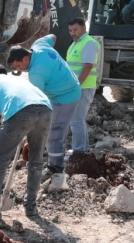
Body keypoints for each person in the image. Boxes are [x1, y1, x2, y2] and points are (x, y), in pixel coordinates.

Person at [0, 65, 53, 219]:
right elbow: (34, 111)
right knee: (36, 160)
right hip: (46, 110)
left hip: (21, 111)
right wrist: (30, 139)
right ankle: (31, 206)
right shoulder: (16, 80)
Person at [7, 34, 80, 175]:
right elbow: (53, 36)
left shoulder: (36, 73)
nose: (19, 70)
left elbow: (36, 105)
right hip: (62, 88)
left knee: (54, 131)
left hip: (66, 95)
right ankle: (54, 155)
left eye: (19, 66)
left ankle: (55, 168)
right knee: (51, 127)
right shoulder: (39, 45)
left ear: (25, 58)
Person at [66, 17, 101, 153]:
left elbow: (88, 66)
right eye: (70, 30)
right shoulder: (75, 43)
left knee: (76, 120)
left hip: (83, 87)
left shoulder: (89, 43)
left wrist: (76, 85)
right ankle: (83, 149)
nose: (72, 33)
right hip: (77, 87)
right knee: (76, 120)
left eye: (75, 30)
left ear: (83, 28)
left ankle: (79, 151)